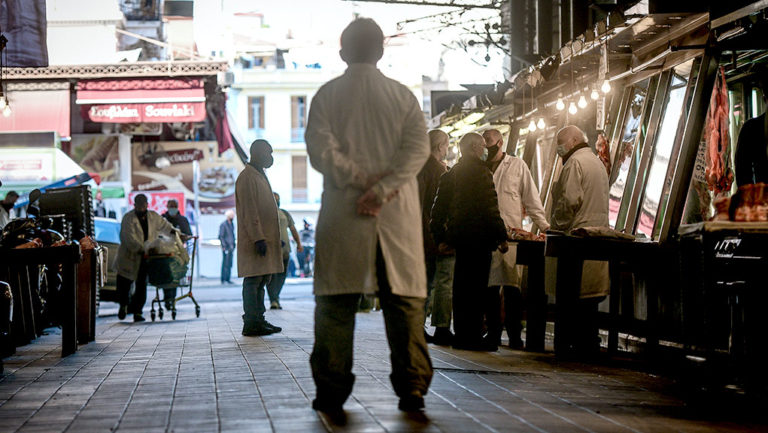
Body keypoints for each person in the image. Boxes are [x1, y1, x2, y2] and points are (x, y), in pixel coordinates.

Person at [305, 18, 433, 420]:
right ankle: (412, 386)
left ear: (343, 53)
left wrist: (359, 182)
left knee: (336, 305)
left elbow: (320, 150)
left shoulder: (327, 96)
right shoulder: (403, 97)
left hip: (344, 214)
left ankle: (331, 391)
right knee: (404, 303)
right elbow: (418, 151)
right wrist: (382, 189)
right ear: (381, 52)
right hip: (396, 214)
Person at [431, 132, 508, 351]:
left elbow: (437, 211)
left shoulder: (452, 173)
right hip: (480, 240)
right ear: (475, 148)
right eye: (483, 146)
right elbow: (490, 208)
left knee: (461, 288)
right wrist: (501, 236)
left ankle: (462, 334)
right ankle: (473, 336)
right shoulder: (483, 173)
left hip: (459, 241)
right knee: (477, 289)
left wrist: (441, 238)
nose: (486, 150)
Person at [482, 129, 550, 349]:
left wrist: (545, 227)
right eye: (484, 143)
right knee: (489, 289)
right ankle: (492, 333)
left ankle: (514, 334)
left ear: (500, 142)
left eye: (490, 142)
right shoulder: (480, 169)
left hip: (512, 237)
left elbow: (531, 199)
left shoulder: (517, 166)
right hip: (485, 236)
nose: (487, 146)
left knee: (512, 288)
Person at [550, 125, 610, 356]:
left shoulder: (575, 162)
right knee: (590, 296)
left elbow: (569, 201)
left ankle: (566, 344)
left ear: (574, 140)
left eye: (561, 141)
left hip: (576, 237)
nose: (558, 147)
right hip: (596, 235)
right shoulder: (595, 162)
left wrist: (556, 225)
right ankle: (587, 342)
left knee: (570, 295)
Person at [235, 139, 283, 337]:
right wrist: (258, 238)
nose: (271, 157)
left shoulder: (260, 175)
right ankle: (251, 322)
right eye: (268, 153)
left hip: (265, 238)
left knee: (263, 278)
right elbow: (250, 210)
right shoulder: (247, 177)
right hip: (256, 240)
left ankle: (259, 319)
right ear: (258, 153)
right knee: (253, 280)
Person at [418, 130, 454, 345]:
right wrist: (438, 236)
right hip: (434, 235)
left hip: (421, 235)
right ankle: (441, 327)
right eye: (447, 145)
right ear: (441, 146)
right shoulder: (439, 171)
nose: (447, 149)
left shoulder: (417, 168)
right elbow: (434, 207)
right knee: (441, 282)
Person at [115, 193, 175, 322]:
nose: (142, 207)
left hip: (145, 258)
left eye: (144, 205)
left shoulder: (153, 217)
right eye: (139, 205)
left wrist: (177, 234)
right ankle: (123, 306)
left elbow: (166, 227)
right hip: (129, 257)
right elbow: (128, 239)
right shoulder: (128, 218)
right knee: (125, 285)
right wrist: (143, 248)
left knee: (141, 285)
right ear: (135, 205)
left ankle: (138, 312)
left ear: (147, 204)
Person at [267, 192, 303, 309]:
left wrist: (299, 244)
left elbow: (293, 230)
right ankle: (274, 299)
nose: (276, 201)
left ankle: (275, 298)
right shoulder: (265, 214)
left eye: (278, 199)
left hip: (285, 250)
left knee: (282, 275)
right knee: (271, 277)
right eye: (274, 199)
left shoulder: (285, 213)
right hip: (271, 251)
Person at [161, 199, 193, 308]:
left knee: (175, 275)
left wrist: (183, 237)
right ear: (167, 206)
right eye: (170, 206)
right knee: (166, 275)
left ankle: (171, 299)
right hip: (164, 253)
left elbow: (189, 234)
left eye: (174, 206)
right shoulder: (162, 220)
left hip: (177, 253)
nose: (172, 208)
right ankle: (167, 298)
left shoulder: (183, 220)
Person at [218, 210, 236, 284]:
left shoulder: (232, 224)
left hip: (231, 247)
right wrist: (224, 246)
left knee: (229, 263)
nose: (233, 217)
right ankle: (223, 279)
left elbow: (232, 235)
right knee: (225, 263)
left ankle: (228, 278)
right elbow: (221, 236)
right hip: (226, 247)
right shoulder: (223, 225)